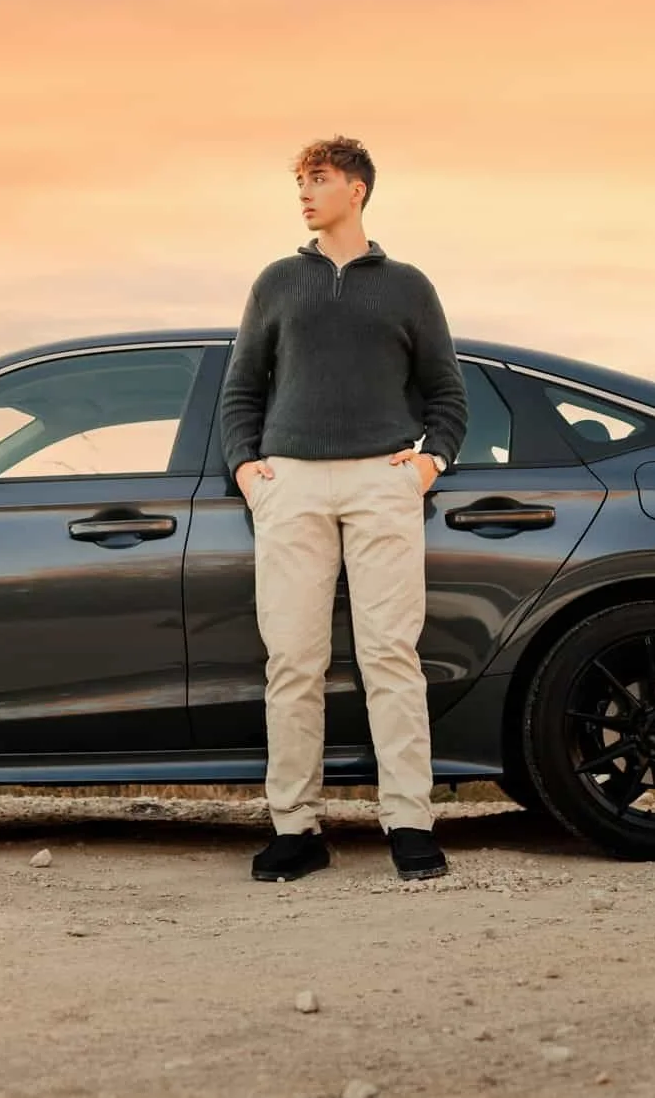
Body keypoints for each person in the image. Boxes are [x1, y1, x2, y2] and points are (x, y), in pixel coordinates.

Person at [218, 136, 468, 882]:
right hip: (289, 485)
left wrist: (428, 464)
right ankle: (296, 827)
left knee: (391, 655)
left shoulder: (408, 287)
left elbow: (449, 394)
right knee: (293, 660)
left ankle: (410, 823)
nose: (304, 191)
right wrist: (250, 473)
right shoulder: (276, 282)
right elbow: (241, 390)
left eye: (317, 178)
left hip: (381, 484)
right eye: (299, 180)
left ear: (355, 189)